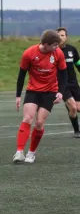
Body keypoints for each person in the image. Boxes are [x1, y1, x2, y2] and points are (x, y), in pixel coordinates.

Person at [14, 29, 67, 164]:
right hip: (33, 91)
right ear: (46, 44)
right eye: (54, 45)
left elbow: (63, 74)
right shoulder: (29, 53)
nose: (57, 47)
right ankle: (19, 152)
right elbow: (21, 75)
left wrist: (60, 91)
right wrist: (18, 95)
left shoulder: (58, 53)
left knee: (39, 123)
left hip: (50, 92)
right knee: (27, 118)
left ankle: (31, 153)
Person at [56, 27, 80, 137]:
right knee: (73, 107)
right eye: (58, 35)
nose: (60, 37)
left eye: (62, 35)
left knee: (77, 108)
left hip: (74, 84)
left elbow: (78, 64)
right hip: (62, 85)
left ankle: (70, 106)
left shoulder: (72, 50)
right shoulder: (53, 51)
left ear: (66, 37)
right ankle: (77, 131)